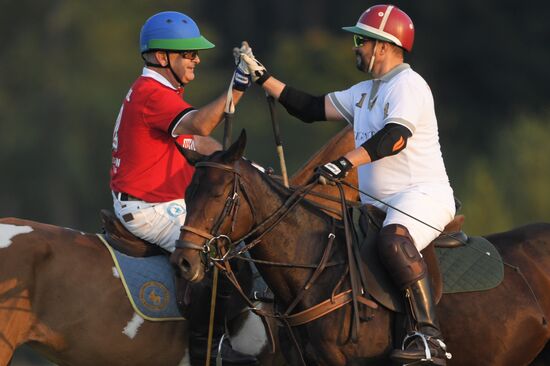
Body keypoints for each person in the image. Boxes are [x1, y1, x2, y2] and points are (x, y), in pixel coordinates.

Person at [240, 4, 454, 365]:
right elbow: (308, 107)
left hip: (422, 196)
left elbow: (394, 138)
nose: (355, 46)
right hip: (376, 205)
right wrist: (263, 78)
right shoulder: (365, 91)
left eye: (361, 40)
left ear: (383, 46)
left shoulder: (409, 85)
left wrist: (344, 163)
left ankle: (428, 337)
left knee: (394, 240)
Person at [109, 11, 257, 365]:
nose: (196, 60)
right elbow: (200, 126)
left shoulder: (163, 92)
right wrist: (235, 87)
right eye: (188, 54)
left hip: (160, 200)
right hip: (148, 208)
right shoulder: (151, 93)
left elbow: (197, 143)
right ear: (163, 58)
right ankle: (209, 347)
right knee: (220, 252)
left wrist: (252, 171)